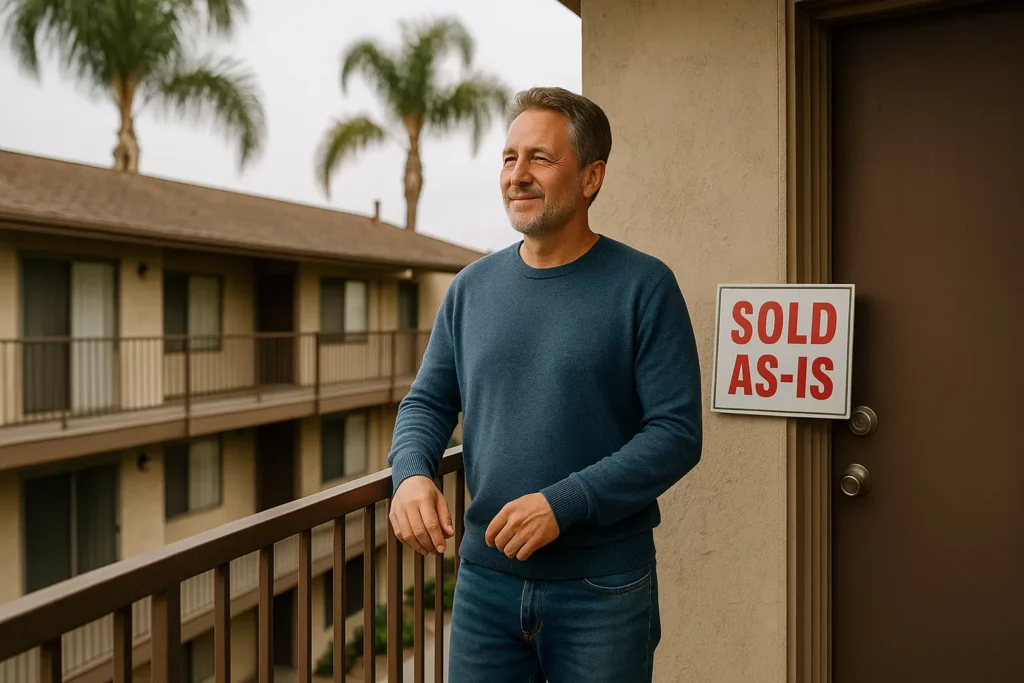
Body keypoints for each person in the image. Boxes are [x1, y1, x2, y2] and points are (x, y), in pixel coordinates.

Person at [387, 86, 703, 683]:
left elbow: (676, 434)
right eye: (509, 158)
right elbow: (427, 403)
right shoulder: (471, 289)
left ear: (591, 178)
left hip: (602, 588)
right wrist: (410, 477)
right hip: (484, 584)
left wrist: (565, 504)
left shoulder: (645, 286)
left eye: (540, 158)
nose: (518, 175)